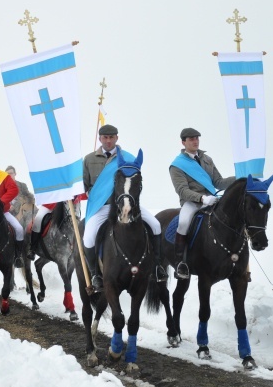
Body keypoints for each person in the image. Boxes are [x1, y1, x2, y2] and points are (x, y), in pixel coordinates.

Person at [82, 124, 167, 292]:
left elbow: (135, 182)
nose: (108, 140)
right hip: (102, 207)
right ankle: (95, 274)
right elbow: (85, 185)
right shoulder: (89, 159)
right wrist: (93, 193)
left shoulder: (128, 157)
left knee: (156, 225)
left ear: (116, 138)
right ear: (100, 139)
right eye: (105, 137)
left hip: (127, 205)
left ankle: (157, 267)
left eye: (111, 137)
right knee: (88, 238)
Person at [169, 128, 236, 279]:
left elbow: (219, 182)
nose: (195, 141)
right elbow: (182, 190)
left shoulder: (207, 159)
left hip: (213, 199)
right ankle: (181, 263)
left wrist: (238, 176)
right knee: (183, 222)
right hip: (192, 202)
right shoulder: (177, 165)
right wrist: (202, 198)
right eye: (191, 139)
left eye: (197, 138)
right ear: (183, 142)